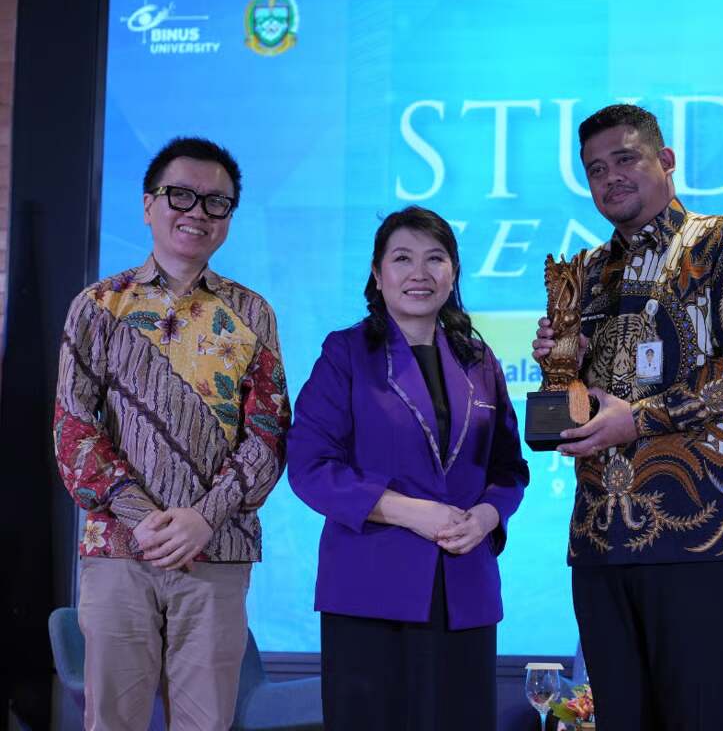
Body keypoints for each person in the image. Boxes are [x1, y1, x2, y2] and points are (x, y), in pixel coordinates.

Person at [532, 104, 723, 730]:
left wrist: (640, 420)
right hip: (600, 537)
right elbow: (582, 406)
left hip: (699, 535)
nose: (610, 177)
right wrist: (562, 369)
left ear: (666, 160)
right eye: (595, 169)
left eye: (625, 159)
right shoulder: (589, 272)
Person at [53, 136, 290, 730]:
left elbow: (268, 434)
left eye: (216, 203)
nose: (197, 213)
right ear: (148, 205)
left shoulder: (252, 313)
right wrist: (144, 517)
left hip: (218, 549)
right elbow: (74, 428)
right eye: (181, 195)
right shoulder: (99, 306)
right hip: (118, 547)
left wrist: (203, 518)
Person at [287, 206, 529, 731]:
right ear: (377, 274)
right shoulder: (347, 352)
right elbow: (309, 465)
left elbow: (509, 468)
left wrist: (486, 517)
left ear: (454, 272)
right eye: (402, 259)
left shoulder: (478, 359)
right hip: (371, 588)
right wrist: (410, 512)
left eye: (434, 259)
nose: (419, 273)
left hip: (465, 587)